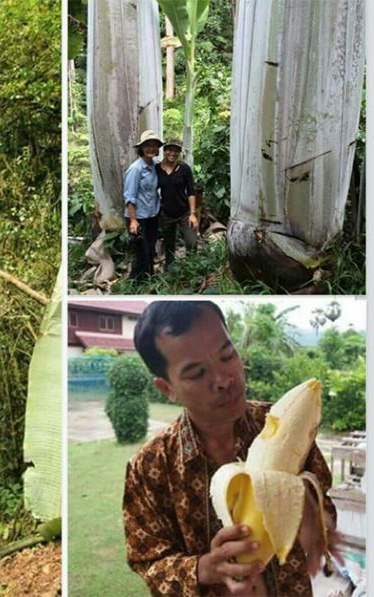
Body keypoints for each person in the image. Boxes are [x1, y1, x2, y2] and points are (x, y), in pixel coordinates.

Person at [123, 301, 340, 596]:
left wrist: (316, 518)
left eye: (227, 355)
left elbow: (323, 504)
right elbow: (147, 560)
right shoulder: (149, 467)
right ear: (167, 389)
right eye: (197, 373)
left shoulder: (285, 424)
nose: (225, 380)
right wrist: (204, 568)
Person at [123, 130, 162, 281]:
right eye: (148, 146)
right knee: (141, 252)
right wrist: (133, 221)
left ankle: (149, 278)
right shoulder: (136, 169)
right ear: (141, 148)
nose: (151, 149)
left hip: (152, 215)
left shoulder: (155, 166)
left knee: (151, 249)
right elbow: (129, 196)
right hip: (137, 217)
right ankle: (135, 283)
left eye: (154, 146)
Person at [156, 138, 198, 270]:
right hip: (166, 214)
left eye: (176, 150)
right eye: (169, 150)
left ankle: (192, 269)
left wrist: (192, 214)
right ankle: (170, 272)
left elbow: (191, 191)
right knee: (169, 245)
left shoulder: (184, 169)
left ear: (179, 152)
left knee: (192, 242)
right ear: (164, 151)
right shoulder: (157, 169)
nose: (172, 153)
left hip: (184, 212)